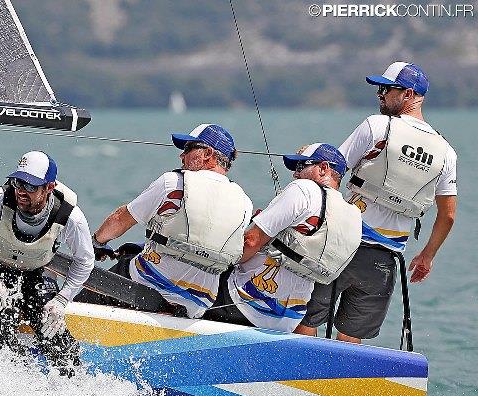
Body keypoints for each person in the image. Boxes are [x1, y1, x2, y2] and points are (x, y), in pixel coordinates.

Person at [296, 62, 458, 343]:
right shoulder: (446, 152)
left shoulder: (377, 126)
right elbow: (449, 215)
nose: (379, 95)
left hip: (341, 245)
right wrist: (426, 256)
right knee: (351, 338)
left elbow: (332, 174)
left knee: (306, 318)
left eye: (386, 89)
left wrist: (306, 165)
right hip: (384, 260)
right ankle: (336, 386)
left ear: (408, 94)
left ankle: (288, 381)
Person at [0, 151, 93, 374]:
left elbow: (85, 261)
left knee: (55, 334)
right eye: (18, 183)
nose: (21, 191)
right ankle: (17, 378)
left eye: (31, 186)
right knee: (1, 322)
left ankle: (73, 383)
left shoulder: (71, 217)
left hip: (30, 271)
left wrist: (63, 299)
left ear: (49, 187)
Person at [93, 124, 253, 319]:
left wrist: (97, 243)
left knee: (105, 280)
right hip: (199, 303)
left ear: (208, 153)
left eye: (188, 149)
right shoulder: (244, 202)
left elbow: (120, 219)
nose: (182, 156)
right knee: (136, 250)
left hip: (150, 285)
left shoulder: (173, 181)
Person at [205, 144, 362, 332]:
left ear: (323, 168)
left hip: (244, 302)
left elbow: (251, 242)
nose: (295, 174)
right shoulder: (352, 214)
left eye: (301, 166)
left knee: (189, 275)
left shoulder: (304, 189)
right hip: (290, 318)